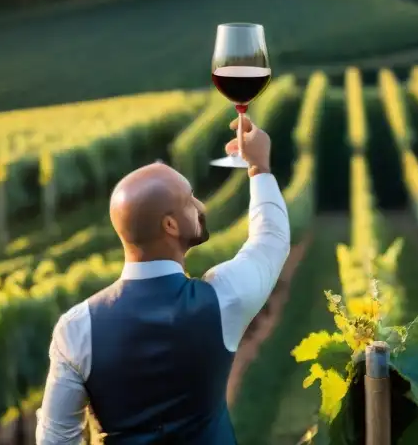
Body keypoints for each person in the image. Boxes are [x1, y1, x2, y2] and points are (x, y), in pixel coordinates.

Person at [35, 115, 290, 444]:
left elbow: (55, 440)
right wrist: (259, 168)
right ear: (170, 226)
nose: (199, 205)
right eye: (189, 201)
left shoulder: (76, 328)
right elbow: (271, 240)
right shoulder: (223, 300)